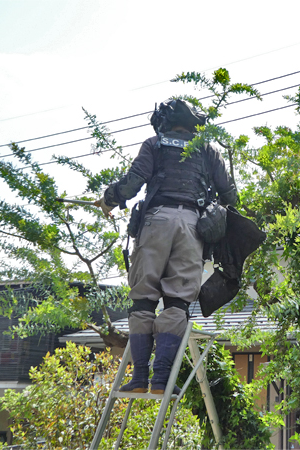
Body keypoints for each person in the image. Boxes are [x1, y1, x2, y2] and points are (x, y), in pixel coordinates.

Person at [98, 99, 237, 394]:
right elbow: (230, 197)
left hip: (155, 222)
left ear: (163, 121)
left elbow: (133, 184)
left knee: (144, 299)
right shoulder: (209, 150)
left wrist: (109, 198)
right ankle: (161, 381)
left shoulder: (154, 144)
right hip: (193, 228)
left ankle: (138, 379)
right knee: (177, 302)